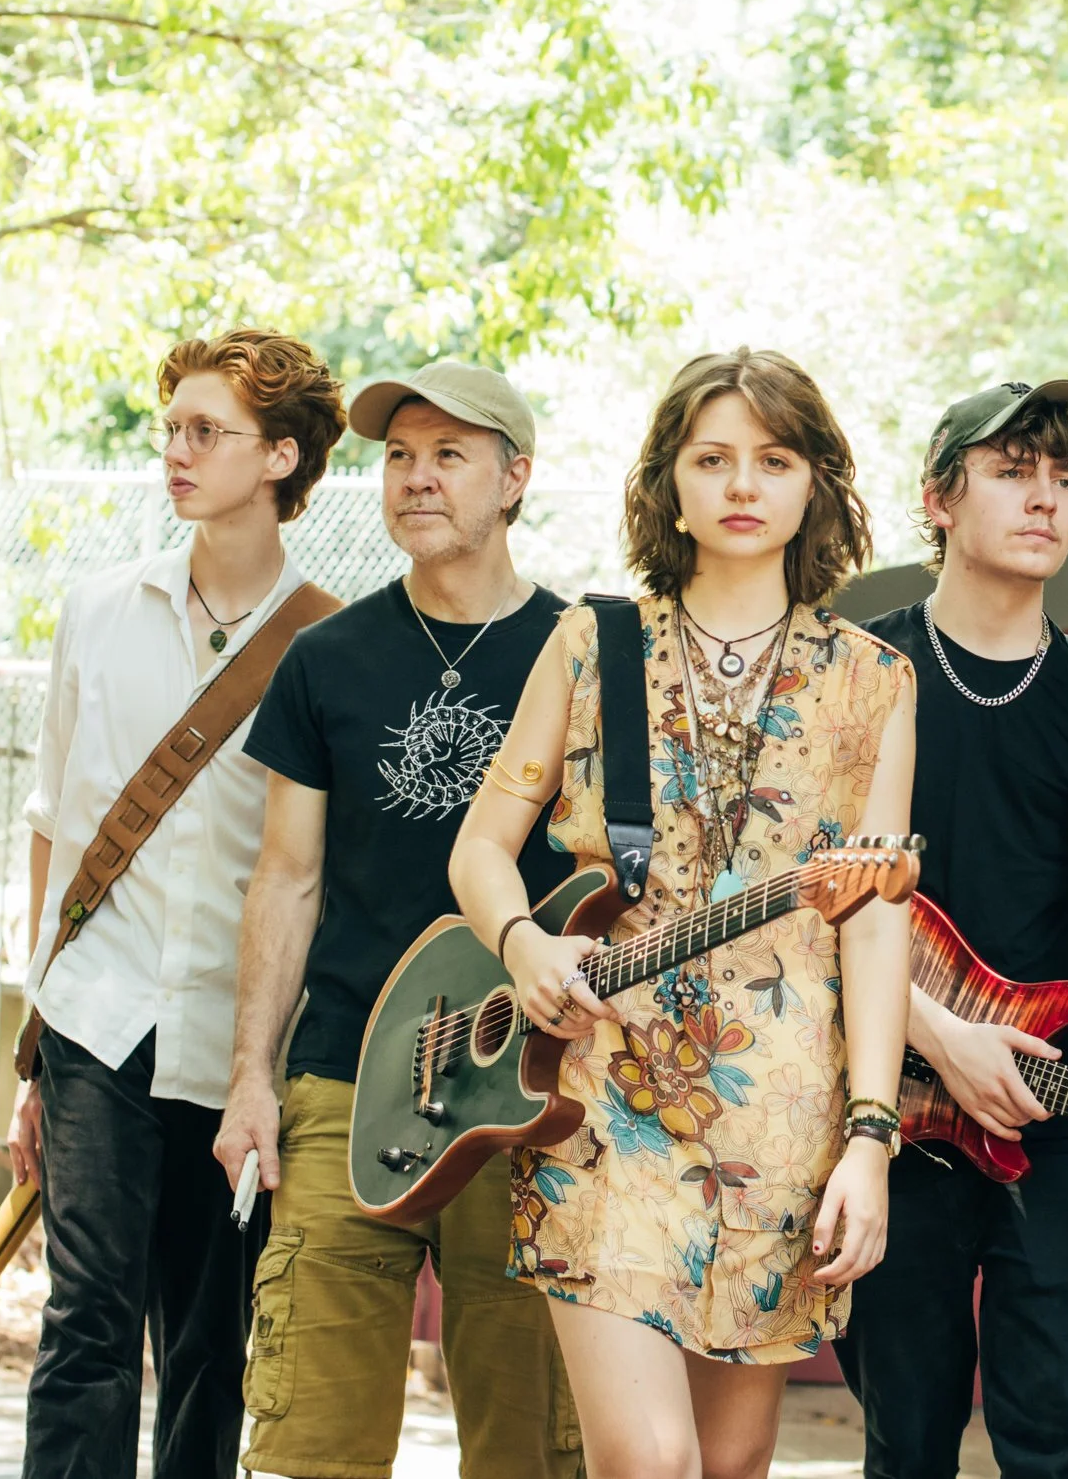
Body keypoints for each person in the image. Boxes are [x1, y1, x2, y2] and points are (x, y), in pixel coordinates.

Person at [448, 347, 917, 1479]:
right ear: (668, 480)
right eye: (712, 459)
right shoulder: (591, 643)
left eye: (774, 459)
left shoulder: (874, 681)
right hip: (601, 1099)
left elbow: (872, 921)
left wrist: (869, 1138)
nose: (742, 483)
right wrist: (522, 941)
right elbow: (479, 846)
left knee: (730, 1461)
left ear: (817, 483)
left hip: (782, 1124)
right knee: (650, 1457)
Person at [210, 362, 583, 1479]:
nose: (417, 478)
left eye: (449, 455)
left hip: (529, 1087)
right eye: (400, 457)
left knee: (528, 1452)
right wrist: (251, 1077)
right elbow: (286, 878)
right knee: (310, 1447)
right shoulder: (326, 658)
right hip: (344, 1078)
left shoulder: (589, 656)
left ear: (514, 478)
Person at [9, 329, 346, 1479]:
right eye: (171, 429)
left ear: (281, 456)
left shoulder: (332, 647)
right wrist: (33, 1039)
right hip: (97, 1016)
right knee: (84, 1322)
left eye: (208, 431)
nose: (177, 451)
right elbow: (53, 822)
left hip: (238, 1041)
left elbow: (314, 873)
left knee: (208, 1346)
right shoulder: (99, 609)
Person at [836, 380, 1068, 1479]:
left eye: (1066, 480)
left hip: (1060, 1111)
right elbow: (816, 903)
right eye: (1014, 473)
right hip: (891, 1103)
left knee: (1063, 1442)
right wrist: (939, 1036)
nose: (1046, 499)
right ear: (939, 497)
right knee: (906, 1441)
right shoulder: (858, 670)